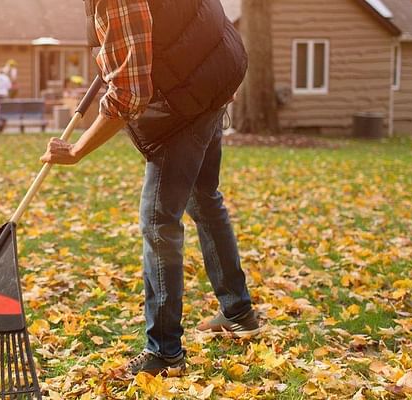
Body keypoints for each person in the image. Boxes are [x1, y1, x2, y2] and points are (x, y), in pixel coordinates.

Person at [40, 0, 259, 378]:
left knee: (159, 222)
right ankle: (238, 312)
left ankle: (165, 352)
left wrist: (76, 150)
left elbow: (130, 96)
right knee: (204, 199)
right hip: (213, 76)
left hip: (189, 102)